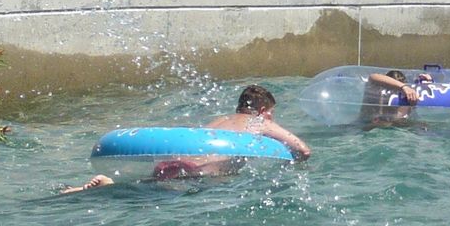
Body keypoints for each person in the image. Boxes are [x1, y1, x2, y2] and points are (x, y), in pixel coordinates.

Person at [61, 84, 311, 192]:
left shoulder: (220, 121)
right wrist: (296, 164)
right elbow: (303, 149)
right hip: (198, 173)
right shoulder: (259, 122)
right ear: (264, 111)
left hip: (174, 162)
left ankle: (103, 185)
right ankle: (108, 185)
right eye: (272, 113)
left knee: (149, 186)